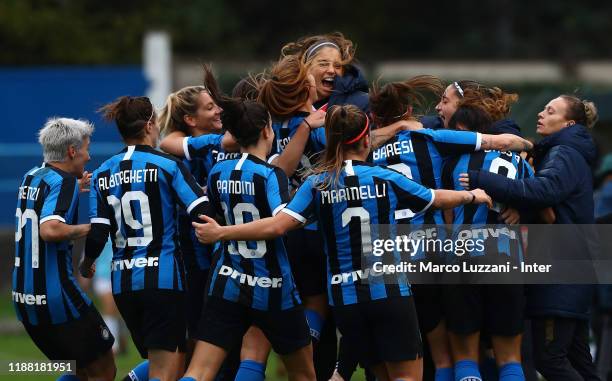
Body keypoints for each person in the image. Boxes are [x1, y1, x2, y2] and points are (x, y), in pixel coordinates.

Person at [193, 104, 496, 381]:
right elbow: (435, 197)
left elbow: (278, 225)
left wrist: (222, 232)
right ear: (366, 141)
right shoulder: (383, 178)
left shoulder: (317, 183)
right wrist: (473, 195)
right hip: (388, 292)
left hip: (344, 300)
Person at [368, 77, 533, 381]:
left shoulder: (442, 155)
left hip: (401, 256)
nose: (438, 107)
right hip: (497, 257)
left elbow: (447, 210)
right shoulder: (440, 141)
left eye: (444, 101)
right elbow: (539, 197)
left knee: (451, 360)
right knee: (508, 359)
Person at [461, 95, 601, 380]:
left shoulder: (564, 152)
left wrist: (482, 179)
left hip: (561, 273)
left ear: (569, 123)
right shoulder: (564, 151)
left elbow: (544, 190)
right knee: (579, 363)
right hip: (574, 270)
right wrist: (523, 210)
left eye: (550, 111)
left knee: (550, 360)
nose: (541, 114)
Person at [180, 96, 315, 381]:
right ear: (268, 130)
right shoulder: (270, 174)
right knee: (303, 374)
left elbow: (213, 217)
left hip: (227, 280)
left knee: (199, 371)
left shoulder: (218, 171)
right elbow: (278, 225)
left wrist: (221, 232)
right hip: (272, 285)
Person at [80, 95, 211, 381]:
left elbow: (99, 231)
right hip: (163, 279)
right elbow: (201, 211)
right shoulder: (167, 165)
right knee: (167, 371)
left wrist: (87, 263)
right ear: (150, 124)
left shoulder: (103, 173)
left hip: (123, 284)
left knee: (166, 364)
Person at [13, 117, 116, 381]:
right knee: (104, 371)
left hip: (25, 297)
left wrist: (75, 187)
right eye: (86, 149)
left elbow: (42, 207)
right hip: (57, 295)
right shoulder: (64, 183)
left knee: (79, 370)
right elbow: (50, 230)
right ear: (72, 151)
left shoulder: (32, 177)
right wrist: (94, 228)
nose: (88, 156)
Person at [442, 104, 534, 381]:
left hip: (463, 258)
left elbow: (447, 219)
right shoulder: (519, 162)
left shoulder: (454, 162)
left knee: (466, 358)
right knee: (509, 358)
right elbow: (539, 204)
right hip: (507, 258)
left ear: (462, 132)